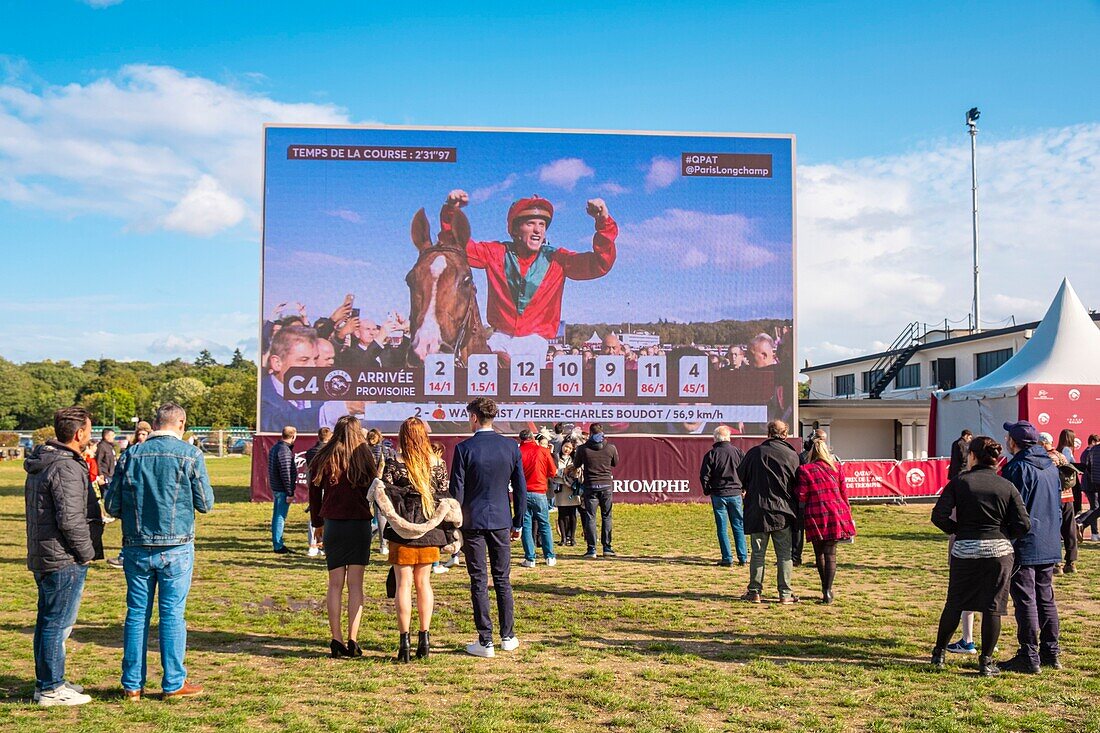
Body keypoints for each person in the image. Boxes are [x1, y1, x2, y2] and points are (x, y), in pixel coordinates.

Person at [103, 402, 214, 700]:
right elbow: (206, 503)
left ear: (154, 423)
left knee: (136, 614)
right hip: (176, 546)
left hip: (137, 546)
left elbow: (111, 505)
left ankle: (132, 684)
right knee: (172, 615)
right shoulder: (191, 455)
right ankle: (174, 682)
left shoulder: (130, 455)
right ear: (181, 423)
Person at [441, 190, 618, 363]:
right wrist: (450, 211)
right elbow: (456, 247)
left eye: (542, 225)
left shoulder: (558, 259)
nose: (537, 230)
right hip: (499, 340)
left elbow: (599, 264)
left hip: (535, 343)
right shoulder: (495, 253)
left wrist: (603, 222)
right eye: (530, 224)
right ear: (515, 230)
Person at [930, 436, 1031, 676]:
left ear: (972, 456)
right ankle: (986, 662)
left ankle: (939, 654)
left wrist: (957, 530)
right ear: (996, 459)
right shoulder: (1006, 486)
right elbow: (1024, 524)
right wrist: (1003, 533)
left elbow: (938, 516)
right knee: (993, 607)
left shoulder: (959, 483)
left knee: (955, 603)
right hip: (998, 551)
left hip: (965, 549)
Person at [371, 417, 462, 662]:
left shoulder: (393, 463)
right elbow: (444, 495)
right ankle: (425, 637)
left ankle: (404, 644)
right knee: (424, 584)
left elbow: (384, 498)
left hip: (401, 531)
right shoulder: (438, 464)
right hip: (429, 530)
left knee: (403, 585)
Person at [24, 406, 97, 706]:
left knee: (47, 622)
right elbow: (70, 519)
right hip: (62, 557)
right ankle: (51, 688)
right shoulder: (65, 466)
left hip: (46, 553)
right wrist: (86, 552)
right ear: (79, 433)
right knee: (57, 624)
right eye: (89, 430)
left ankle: (49, 681)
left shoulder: (46, 461)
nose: (90, 435)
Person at [449, 397, 526, 658]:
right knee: (503, 579)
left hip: (472, 522)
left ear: (473, 417)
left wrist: (454, 523)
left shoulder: (464, 448)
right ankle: (508, 636)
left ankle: (486, 640)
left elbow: (456, 490)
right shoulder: (510, 446)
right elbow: (520, 488)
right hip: (502, 520)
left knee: (479, 580)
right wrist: (519, 520)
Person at [306, 415, 378, 658]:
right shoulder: (365, 455)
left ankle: (335, 639)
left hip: (333, 523)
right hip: (359, 524)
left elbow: (314, 494)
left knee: (335, 584)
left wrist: (317, 522)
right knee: (356, 585)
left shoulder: (324, 455)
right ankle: (353, 639)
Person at [999, 420, 1063, 673]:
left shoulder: (1017, 468)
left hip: (1025, 541)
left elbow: (1013, 509)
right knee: (1045, 597)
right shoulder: (1050, 466)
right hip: (1048, 539)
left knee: (1026, 599)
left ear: (1014, 442)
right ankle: (1051, 651)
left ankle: (1029, 654)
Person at [738, 420, 801, 604]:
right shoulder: (792, 455)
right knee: (784, 555)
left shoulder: (755, 453)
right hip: (783, 511)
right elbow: (798, 483)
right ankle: (785, 594)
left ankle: (755, 591)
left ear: (768, 433)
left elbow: (741, 476)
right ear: (786, 434)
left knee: (758, 554)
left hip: (758, 509)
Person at [794, 438, 856, 604]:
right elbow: (844, 493)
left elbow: (801, 495)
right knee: (831, 555)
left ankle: (824, 588)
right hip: (837, 513)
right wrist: (848, 515)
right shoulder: (837, 468)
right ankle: (828, 590)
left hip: (816, 514)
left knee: (819, 553)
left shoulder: (805, 470)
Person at [699, 425, 747, 567]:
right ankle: (743, 557)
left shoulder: (711, 454)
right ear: (729, 437)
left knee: (722, 528)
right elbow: (745, 471)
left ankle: (727, 558)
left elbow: (704, 475)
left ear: (715, 438)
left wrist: (707, 490)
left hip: (719, 494)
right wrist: (743, 487)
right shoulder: (738, 452)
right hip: (735, 493)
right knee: (738, 525)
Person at [260, 325, 321, 433]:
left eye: (315, 359)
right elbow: (276, 423)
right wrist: (329, 412)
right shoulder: (262, 395)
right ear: (277, 363)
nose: (313, 366)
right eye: (304, 360)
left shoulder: (324, 393)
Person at [574, 423, 619, 559]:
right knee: (607, 516)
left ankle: (591, 549)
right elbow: (615, 463)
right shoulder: (611, 447)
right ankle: (607, 547)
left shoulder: (583, 449)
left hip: (591, 486)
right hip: (606, 485)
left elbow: (576, 464)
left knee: (590, 517)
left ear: (590, 433)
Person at [517, 429, 558, 568]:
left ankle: (530, 559)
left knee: (526, 526)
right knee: (544, 524)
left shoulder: (518, 452)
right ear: (532, 438)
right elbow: (553, 472)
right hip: (540, 492)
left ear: (520, 440)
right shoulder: (543, 451)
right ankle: (550, 557)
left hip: (523, 493)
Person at [1040, 432, 1078, 575]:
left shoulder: (1045, 458)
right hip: (1068, 496)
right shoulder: (1061, 455)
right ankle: (1071, 562)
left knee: (1053, 530)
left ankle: (1057, 563)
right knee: (1069, 529)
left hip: (1053, 498)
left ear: (1042, 444)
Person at [267, 426, 298, 554]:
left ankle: (277, 542)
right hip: (282, 489)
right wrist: (290, 492)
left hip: (277, 487)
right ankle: (278, 545)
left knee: (277, 516)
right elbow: (286, 472)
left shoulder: (276, 447)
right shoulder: (284, 450)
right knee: (280, 517)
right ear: (293, 436)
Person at [304, 427, 331, 558]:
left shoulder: (310, 452)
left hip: (314, 486)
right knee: (325, 516)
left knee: (314, 514)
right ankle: (321, 544)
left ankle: (313, 544)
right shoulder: (331, 452)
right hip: (327, 487)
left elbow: (308, 472)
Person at [552, 440, 582, 546]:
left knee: (572, 514)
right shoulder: (555, 458)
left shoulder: (574, 459)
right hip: (561, 489)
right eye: (565, 447)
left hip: (572, 489)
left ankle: (572, 538)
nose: (567, 449)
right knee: (562, 514)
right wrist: (562, 472)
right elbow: (553, 471)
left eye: (569, 448)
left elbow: (578, 471)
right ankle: (563, 538)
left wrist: (572, 472)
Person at [1079, 434, 1100, 540]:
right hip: (1091, 484)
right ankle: (1080, 522)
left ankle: (1092, 531)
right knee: (1095, 508)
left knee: (1096, 508)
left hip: (1094, 482)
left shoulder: (1092, 450)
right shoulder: (1089, 451)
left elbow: (1088, 467)